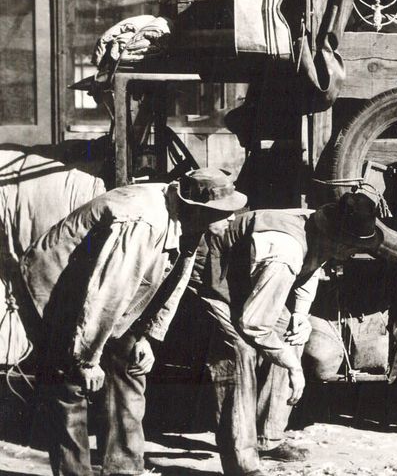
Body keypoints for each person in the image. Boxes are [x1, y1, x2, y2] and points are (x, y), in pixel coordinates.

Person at [21, 169, 246, 476]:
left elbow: (174, 282)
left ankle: (124, 469)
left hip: (110, 292)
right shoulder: (143, 222)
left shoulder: (190, 221)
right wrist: (87, 359)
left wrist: (148, 336)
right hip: (63, 285)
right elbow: (107, 291)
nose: (232, 218)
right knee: (71, 383)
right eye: (225, 212)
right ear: (198, 209)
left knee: (130, 365)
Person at [191, 191, 384, 476]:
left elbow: (312, 266)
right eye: (352, 248)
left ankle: (267, 438)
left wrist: (299, 315)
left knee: (290, 334)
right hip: (212, 268)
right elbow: (254, 324)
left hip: (249, 274)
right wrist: (294, 367)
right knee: (238, 352)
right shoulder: (286, 252)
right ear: (339, 241)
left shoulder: (320, 230)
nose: (353, 254)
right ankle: (241, 465)